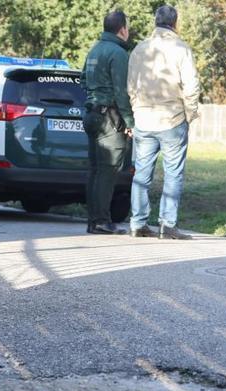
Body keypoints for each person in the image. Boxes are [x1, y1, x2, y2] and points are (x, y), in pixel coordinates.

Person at [127, 5, 199, 240]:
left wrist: (137, 109)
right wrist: (190, 114)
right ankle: (167, 224)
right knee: (173, 173)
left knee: (141, 174)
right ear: (175, 23)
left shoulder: (139, 49)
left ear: (155, 22)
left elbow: (130, 85)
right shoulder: (181, 48)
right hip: (172, 118)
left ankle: (138, 223)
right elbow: (191, 86)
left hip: (144, 119)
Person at [81, 10, 134, 235]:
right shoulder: (118, 53)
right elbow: (122, 92)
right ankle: (102, 221)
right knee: (107, 171)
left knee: (95, 170)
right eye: (128, 27)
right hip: (109, 118)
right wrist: (130, 121)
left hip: (91, 113)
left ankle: (94, 220)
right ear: (122, 29)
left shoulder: (94, 50)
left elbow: (83, 79)